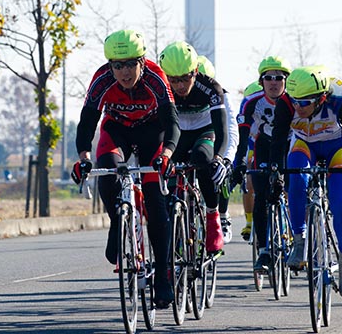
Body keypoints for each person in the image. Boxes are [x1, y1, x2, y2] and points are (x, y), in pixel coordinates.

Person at [72, 29, 179, 308]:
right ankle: (117, 222)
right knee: (107, 168)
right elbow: (86, 123)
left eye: (130, 63)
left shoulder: (156, 78)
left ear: (142, 61)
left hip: (152, 132)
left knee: (156, 201)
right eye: (117, 65)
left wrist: (166, 154)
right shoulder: (102, 80)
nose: (124, 72)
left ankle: (163, 279)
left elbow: (172, 123)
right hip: (117, 129)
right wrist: (83, 157)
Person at [270, 66, 342, 298]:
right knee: (296, 179)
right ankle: (300, 241)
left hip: (335, 148)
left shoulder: (340, 100)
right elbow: (279, 138)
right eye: (295, 102)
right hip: (304, 145)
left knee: (338, 200)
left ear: (322, 98)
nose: (298, 107)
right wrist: (275, 172)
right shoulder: (287, 103)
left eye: (305, 103)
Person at [158, 43, 228, 253]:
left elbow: (222, 130)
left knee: (202, 159)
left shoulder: (210, 88)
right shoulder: (160, 86)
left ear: (195, 72)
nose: (179, 85)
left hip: (203, 131)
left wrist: (219, 158)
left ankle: (213, 215)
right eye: (174, 79)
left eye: (185, 78)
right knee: (166, 172)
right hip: (176, 135)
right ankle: (175, 231)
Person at [231, 55, 292, 271]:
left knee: (295, 190)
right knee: (262, 195)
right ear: (261, 81)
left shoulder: (295, 100)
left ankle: (298, 236)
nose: (273, 82)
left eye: (279, 77)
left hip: (290, 146)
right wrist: (238, 163)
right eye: (268, 78)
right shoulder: (251, 102)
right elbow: (242, 137)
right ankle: (265, 249)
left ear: (286, 80)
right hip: (263, 147)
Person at [196, 55, 240, 244]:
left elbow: (230, 130)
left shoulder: (221, 94)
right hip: (189, 137)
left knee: (220, 170)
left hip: (212, 135)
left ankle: (222, 214)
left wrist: (226, 158)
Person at [235, 80, 264, 241]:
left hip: (269, 144)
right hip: (252, 146)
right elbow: (242, 141)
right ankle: (249, 221)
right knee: (249, 184)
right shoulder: (247, 109)